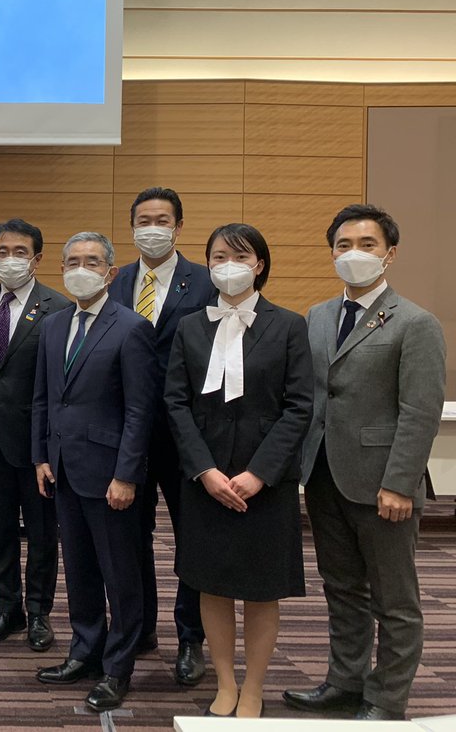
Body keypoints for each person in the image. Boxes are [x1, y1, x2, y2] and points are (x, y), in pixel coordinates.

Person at [284, 204, 446, 721]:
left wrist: (399, 483)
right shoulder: (317, 316)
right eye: (344, 245)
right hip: (325, 475)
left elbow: (419, 412)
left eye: (367, 245)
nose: (354, 254)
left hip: (384, 484)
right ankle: (344, 682)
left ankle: (387, 698)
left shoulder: (416, 323)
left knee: (394, 600)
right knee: (342, 589)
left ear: (389, 254)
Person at [165, 223, 314, 719]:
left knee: (260, 589)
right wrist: (203, 470)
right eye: (218, 257)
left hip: (264, 482)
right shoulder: (190, 326)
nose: (227, 265)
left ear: (260, 264)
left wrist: (260, 473)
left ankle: (253, 687)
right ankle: (225, 682)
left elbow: (299, 406)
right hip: (205, 479)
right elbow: (176, 403)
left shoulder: (289, 325)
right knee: (211, 583)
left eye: (239, 256)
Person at [33, 231, 157, 713]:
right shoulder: (53, 325)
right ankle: (84, 651)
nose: (80, 269)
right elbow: (44, 398)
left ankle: (117, 667)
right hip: (63, 468)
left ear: (110, 272)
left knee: (120, 575)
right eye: (72, 262)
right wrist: (41, 456)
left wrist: (127, 475)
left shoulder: (131, 327)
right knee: (80, 569)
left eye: (91, 261)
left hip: (111, 476)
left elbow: (140, 411)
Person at [107, 186, 213, 684]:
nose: (152, 229)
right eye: (143, 221)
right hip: (127, 434)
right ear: (132, 228)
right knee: (131, 536)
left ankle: (191, 637)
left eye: (162, 220)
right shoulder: (116, 281)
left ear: (178, 227)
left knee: (192, 538)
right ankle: (140, 626)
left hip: (185, 432)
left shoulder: (207, 282)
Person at [0, 218, 69, 651]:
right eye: (2, 252)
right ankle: (6, 608)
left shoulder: (58, 306)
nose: (10, 259)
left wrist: (50, 442)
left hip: (37, 442)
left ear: (37, 258)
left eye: (20, 252)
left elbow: (60, 382)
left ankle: (39, 614)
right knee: (0, 529)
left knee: (43, 533)